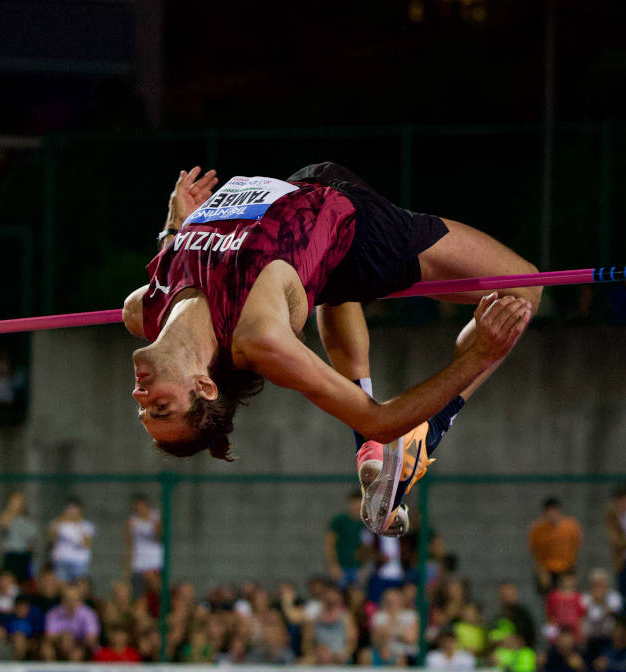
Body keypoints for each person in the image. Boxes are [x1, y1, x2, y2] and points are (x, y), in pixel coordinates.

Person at [125, 164, 539, 535]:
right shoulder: (259, 336)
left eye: (143, 409)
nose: (140, 397)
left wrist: (176, 227)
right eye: (161, 408)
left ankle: (370, 451)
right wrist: (479, 356)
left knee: (328, 288)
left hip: (306, 193)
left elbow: (174, 268)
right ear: (205, 385)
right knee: (526, 287)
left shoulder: (144, 311)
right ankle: (426, 434)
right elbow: (382, 419)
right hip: (362, 235)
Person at [527, 497, 583, 594]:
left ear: (559, 511)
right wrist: (541, 570)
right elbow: (534, 551)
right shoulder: (537, 529)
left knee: (566, 596)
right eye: (548, 512)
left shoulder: (570, 526)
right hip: (547, 569)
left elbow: (575, 546)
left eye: (554, 511)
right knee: (548, 594)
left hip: (565, 568)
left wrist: (570, 569)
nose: (551, 515)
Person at [326, 489, 370, 588]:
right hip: (341, 566)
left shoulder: (366, 523)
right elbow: (330, 544)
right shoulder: (339, 521)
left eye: (360, 503)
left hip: (358, 568)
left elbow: (368, 547)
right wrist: (333, 566)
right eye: (355, 503)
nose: (357, 506)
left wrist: (364, 567)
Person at [123, 493, 163, 598]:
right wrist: (127, 567)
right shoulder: (132, 521)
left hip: (154, 562)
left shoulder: (156, 516)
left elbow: (160, 537)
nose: (138, 509)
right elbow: (129, 544)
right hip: (138, 564)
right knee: (138, 595)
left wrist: (151, 522)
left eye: (141, 506)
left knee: (157, 590)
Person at [48, 498, 95, 583]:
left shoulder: (86, 525)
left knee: (79, 585)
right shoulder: (58, 523)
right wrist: (62, 519)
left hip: (79, 562)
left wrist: (77, 523)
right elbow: (52, 536)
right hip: (61, 561)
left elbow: (86, 544)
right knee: (61, 585)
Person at [0, 491, 40, 583]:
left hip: (24, 555)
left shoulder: (29, 520)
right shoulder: (6, 516)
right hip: (11, 555)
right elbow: (4, 525)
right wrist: (12, 509)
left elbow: (32, 540)